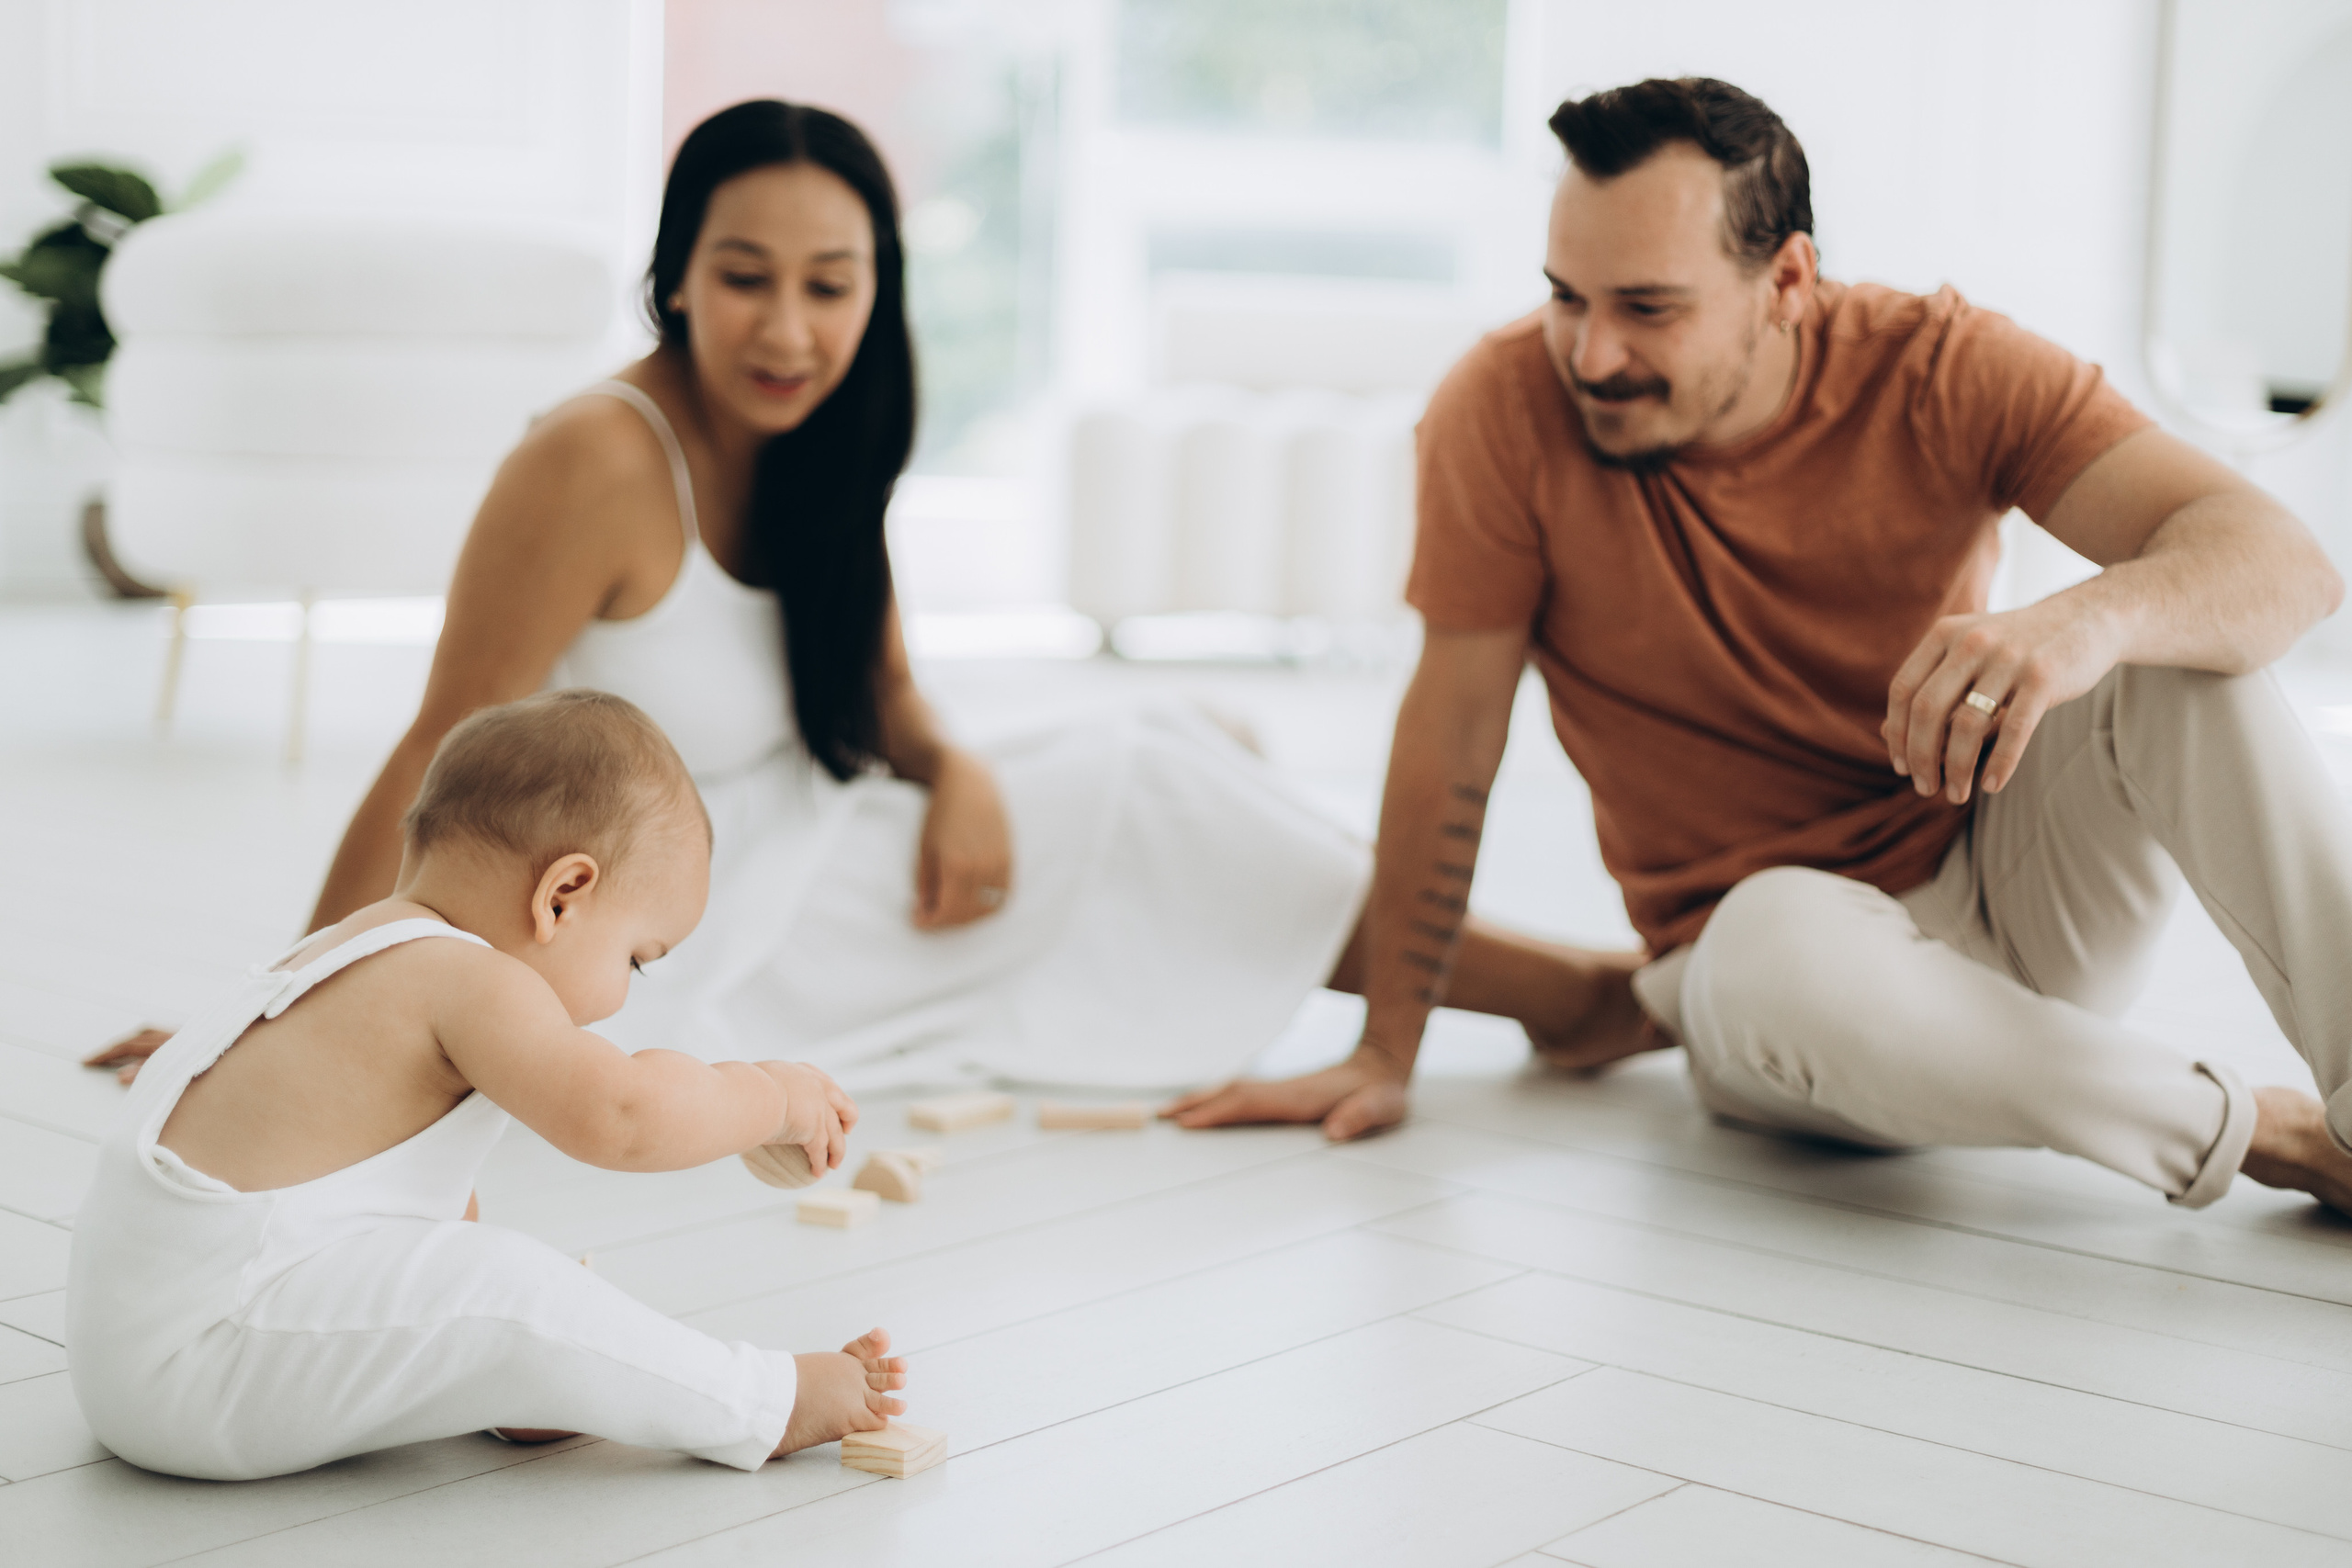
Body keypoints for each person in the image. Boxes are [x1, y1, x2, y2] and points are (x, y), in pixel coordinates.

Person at [85, 100, 1630, 1095]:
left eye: (832, 283)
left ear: (878, 288)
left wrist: (951, 765)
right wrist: (273, 1015)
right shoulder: (589, 461)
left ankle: (1558, 992)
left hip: (815, 833)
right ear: (675, 273)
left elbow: (878, 698)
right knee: (1152, 797)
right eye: (745, 274)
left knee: (1158, 757)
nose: (790, 326)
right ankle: (1565, 993)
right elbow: (441, 750)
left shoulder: (830, 443)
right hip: (694, 920)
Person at [1169, 76, 2352, 1215]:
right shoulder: (1500, 410)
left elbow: (2284, 565)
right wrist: (1384, 1047)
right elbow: (1452, 733)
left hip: (2013, 892)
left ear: (1786, 280)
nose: (1589, 355)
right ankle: (2277, 1141)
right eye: (1564, 297)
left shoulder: (1940, 367)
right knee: (1768, 933)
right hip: (1773, 988)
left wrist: (2081, 621)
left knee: (2172, 646)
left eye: (1647, 307)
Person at [69, 690, 907, 1480]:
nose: (622, 993)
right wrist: (769, 1095)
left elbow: (404, 1222)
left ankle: (523, 1382)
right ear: (563, 895)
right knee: (515, 1289)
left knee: (484, 1277)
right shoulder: (465, 979)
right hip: (204, 1362)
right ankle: (759, 1400)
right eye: (638, 960)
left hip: (152, 1345)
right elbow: (623, 1115)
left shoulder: (355, 947)